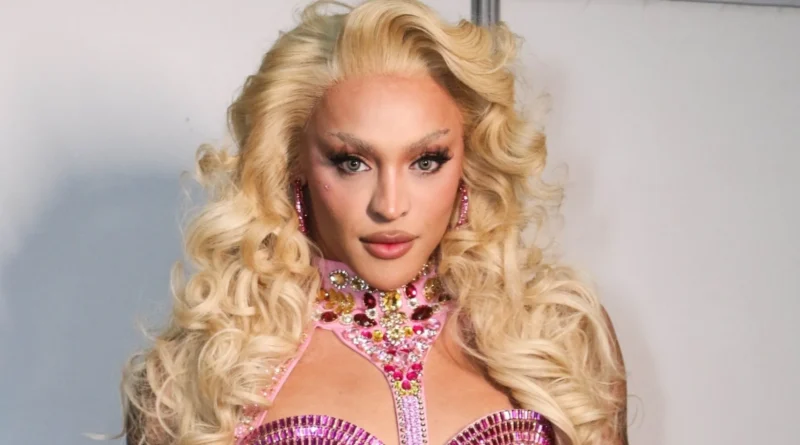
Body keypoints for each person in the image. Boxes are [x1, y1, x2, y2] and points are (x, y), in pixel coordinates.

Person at [120, 1, 628, 444]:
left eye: (426, 161)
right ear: (294, 163)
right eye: (352, 162)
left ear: (468, 162)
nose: (390, 205)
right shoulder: (199, 370)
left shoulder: (557, 336)